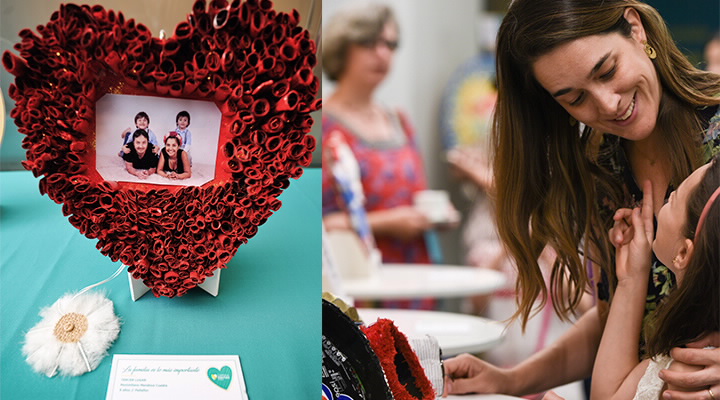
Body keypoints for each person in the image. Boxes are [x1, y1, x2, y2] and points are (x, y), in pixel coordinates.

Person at [443, 0, 720, 398]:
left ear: (635, 28)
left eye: (607, 71)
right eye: (575, 99)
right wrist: (510, 380)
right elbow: (618, 321)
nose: (608, 104)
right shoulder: (600, 162)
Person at [587, 159, 720, 400]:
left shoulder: (688, 371)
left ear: (682, 253)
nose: (662, 204)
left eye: (671, 200)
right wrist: (631, 278)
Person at [322, 3, 439, 266]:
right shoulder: (321, 125)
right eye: (369, 43)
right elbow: (315, 221)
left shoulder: (400, 120)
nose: (383, 53)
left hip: (415, 270)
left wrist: (434, 215)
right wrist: (386, 223)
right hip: (357, 271)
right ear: (342, 47)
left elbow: (419, 197)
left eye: (390, 44)